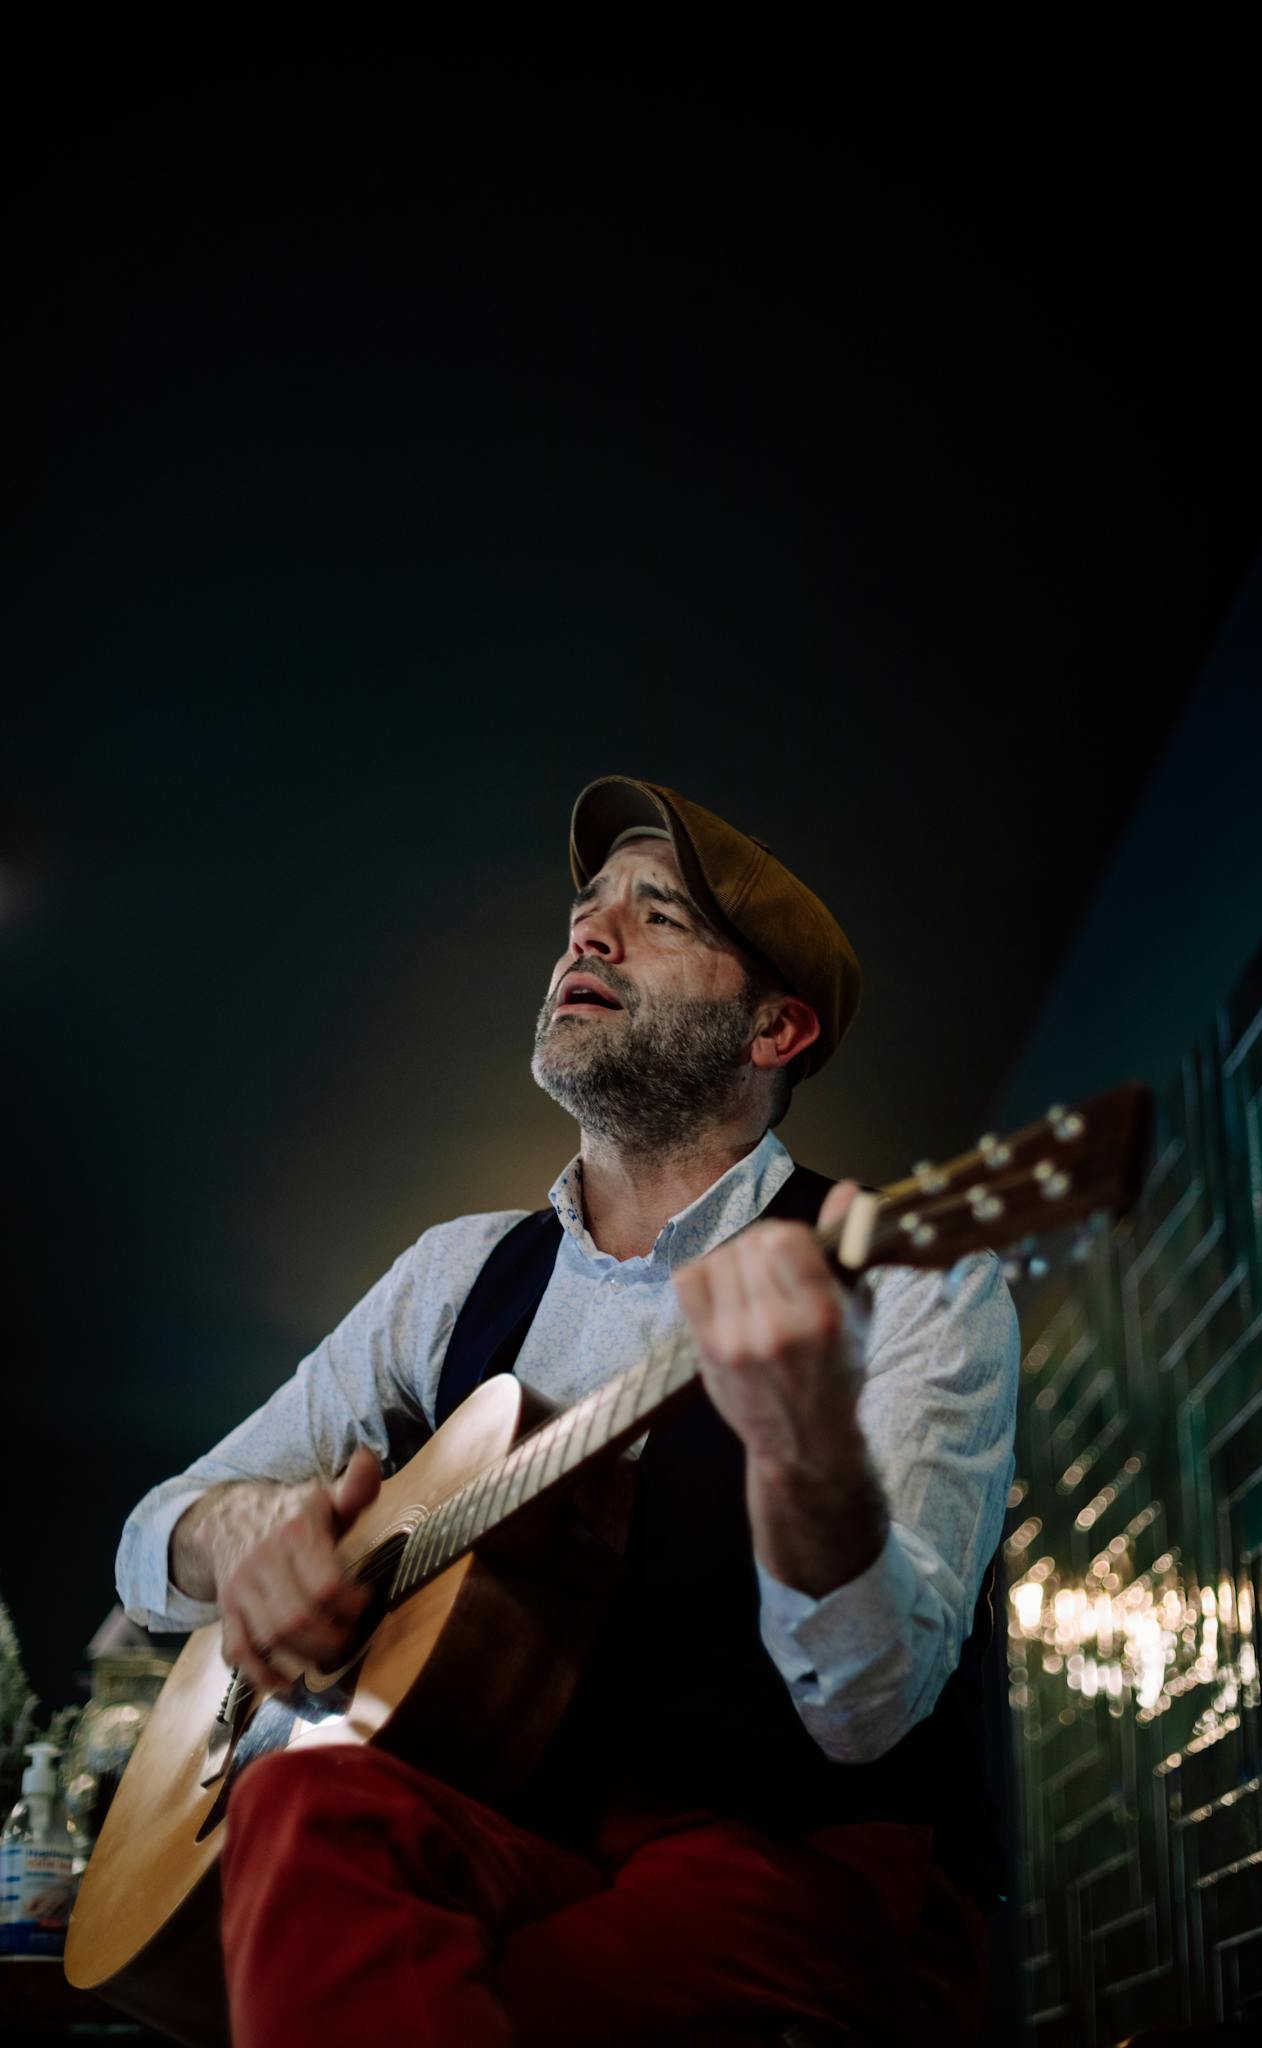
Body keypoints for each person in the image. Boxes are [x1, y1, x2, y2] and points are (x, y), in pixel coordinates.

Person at [116, 776, 1020, 2047]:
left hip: (788, 1867)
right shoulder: (452, 1273)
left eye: (661, 916)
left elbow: (867, 1713)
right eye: (587, 908)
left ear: (776, 1027)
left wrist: (804, 1452)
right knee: (295, 1802)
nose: (589, 933)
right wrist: (247, 1536)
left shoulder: (914, 1273)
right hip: (511, 1837)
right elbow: (151, 1537)